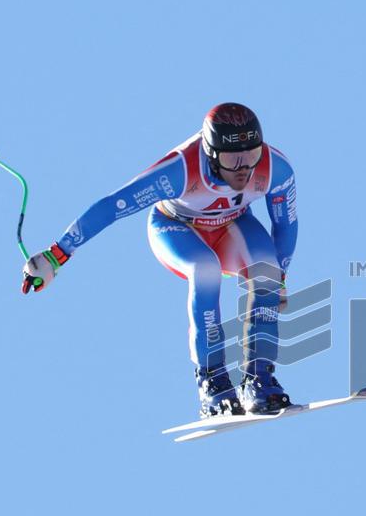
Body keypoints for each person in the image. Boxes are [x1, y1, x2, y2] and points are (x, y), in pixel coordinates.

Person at [21, 103, 297, 417]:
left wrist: (280, 281)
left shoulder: (275, 168)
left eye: (251, 156)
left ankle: (259, 380)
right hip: (177, 228)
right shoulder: (181, 170)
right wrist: (57, 255)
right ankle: (214, 384)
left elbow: (286, 223)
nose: (244, 169)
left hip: (232, 225)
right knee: (205, 271)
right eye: (233, 159)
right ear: (210, 153)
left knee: (267, 272)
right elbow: (114, 205)